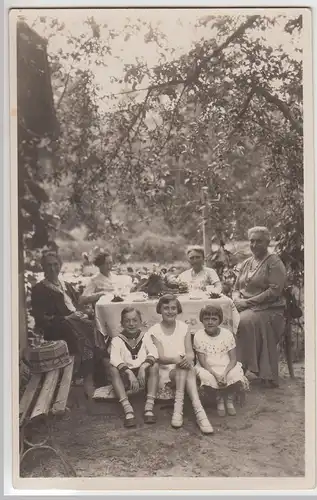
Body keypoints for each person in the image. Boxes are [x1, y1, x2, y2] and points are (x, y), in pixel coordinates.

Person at [31, 250, 96, 397]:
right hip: (57, 326)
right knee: (85, 334)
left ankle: (92, 376)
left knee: (97, 327)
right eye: (48, 265)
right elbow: (41, 318)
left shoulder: (65, 285)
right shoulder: (39, 289)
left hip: (75, 321)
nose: (52, 269)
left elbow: (76, 304)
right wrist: (66, 318)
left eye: (55, 265)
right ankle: (87, 379)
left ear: (60, 266)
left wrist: (84, 312)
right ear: (43, 267)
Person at [148, 294, 214, 434]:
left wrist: (187, 359)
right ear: (159, 309)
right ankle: (199, 413)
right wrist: (177, 360)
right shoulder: (154, 330)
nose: (170, 311)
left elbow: (190, 353)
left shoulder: (184, 327)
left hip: (184, 368)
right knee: (183, 367)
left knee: (186, 367)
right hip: (166, 373)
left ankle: (183, 409)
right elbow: (160, 357)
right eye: (166, 308)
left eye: (173, 308)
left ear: (178, 310)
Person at [233, 226, 287, 387]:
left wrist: (246, 303)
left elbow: (274, 291)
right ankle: (229, 369)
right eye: (252, 241)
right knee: (223, 319)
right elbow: (236, 287)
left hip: (270, 309)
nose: (255, 245)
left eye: (259, 241)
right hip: (246, 306)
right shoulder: (247, 262)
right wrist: (236, 299)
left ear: (267, 242)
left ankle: (243, 369)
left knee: (243, 321)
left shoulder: (274, 262)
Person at [194, 305, 249, 417]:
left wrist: (224, 373)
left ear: (219, 320)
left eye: (214, 319)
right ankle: (219, 399)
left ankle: (229, 398)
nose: (210, 322)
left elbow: (233, 359)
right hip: (208, 367)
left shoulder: (227, 334)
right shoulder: (199, 335)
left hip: (226, 366)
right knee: (207, 377)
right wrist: (215, 374)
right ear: (201, 320)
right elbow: (203, 361)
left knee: (235, 373)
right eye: (206, 319)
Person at [109, 307, 159, 428]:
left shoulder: (145, 336)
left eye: (135, 320)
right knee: (113, 368)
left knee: (155, 365)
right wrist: (129, 373)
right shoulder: (117, 340)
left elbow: (154, 353)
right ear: (122, 323)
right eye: (127, 321)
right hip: (127, 377)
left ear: (140, 322)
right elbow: (114, 358)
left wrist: (143, 367)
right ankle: (128, 409)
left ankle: (149, 407)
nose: (131, 324)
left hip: (143, 376)